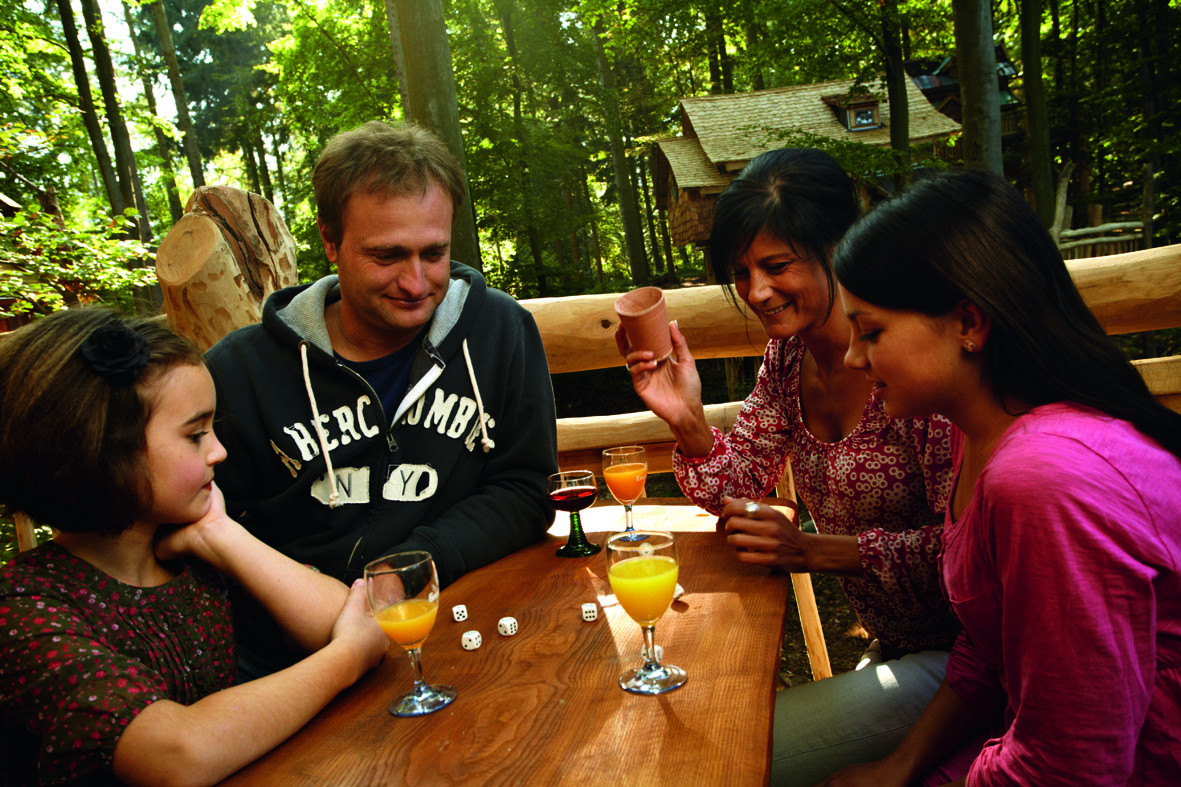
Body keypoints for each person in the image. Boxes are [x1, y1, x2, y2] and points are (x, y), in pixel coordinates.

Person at [826, 168, 1181, 785]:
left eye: (872, 331)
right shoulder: (979, 436)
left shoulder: (1044, 480)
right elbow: (991, 646)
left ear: (969, 324)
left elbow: (1073, 765)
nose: (854, 357)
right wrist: (898, 768)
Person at [617, 148, 961, 785]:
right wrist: (686, 419)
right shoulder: (787, 357)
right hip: (894, 650)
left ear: (838, 245)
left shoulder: (912, 357)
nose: (756, 292)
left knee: (722, 750)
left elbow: (971, 550)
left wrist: (814, 550)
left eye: (776, 267)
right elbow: (740, 479)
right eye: (741, 272)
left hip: (968, 665)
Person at [205, 121, 558, 676]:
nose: (416, 283)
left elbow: (526, 489)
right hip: (295, 656)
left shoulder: (500, 331)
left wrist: (409, 569)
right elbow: (208, 524)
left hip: (463, 619)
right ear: (330, 241)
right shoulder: (239, 371)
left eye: (434, 253)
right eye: (387, 256)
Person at [0, 308, 389, 786]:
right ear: (101, 450)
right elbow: (174, 754)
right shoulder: (23, 605)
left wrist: (219, 534)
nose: (219, 451)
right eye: (195, 434)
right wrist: (345, 659)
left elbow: (348, 619)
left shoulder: (189, 559)